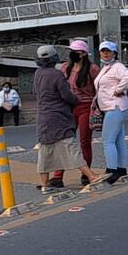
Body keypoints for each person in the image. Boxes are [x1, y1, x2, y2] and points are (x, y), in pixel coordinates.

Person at [33, 45, 103, 191]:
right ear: (54, 58)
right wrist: (76, 100)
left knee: (45, 149)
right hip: (59, 115)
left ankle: (46, 184)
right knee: (70, 145)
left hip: (43, 116)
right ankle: (90, 175)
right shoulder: (59, 73)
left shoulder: (38, 73)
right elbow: (66, 95)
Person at [53, 40, 99, 186]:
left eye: (76, 51)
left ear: (84, 53)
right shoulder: (66, 67)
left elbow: (98, 88)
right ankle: (57, 176)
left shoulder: (92, 69)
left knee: (84, 142)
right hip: (68, 107)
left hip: (86, 106)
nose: (72, 54)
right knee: (64, 141)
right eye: (71, 51)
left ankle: (85, 175)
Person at [94, 41, 128, 185]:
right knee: (118, 140)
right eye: (103, 51)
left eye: (108, 51)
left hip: (115, 107)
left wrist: (119, 90)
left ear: (114, 53)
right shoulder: (106, 68)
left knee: (107, 140)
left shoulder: (117, 66)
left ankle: (112, 171)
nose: (105, 53)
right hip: (115, 107)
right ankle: (121, 169)